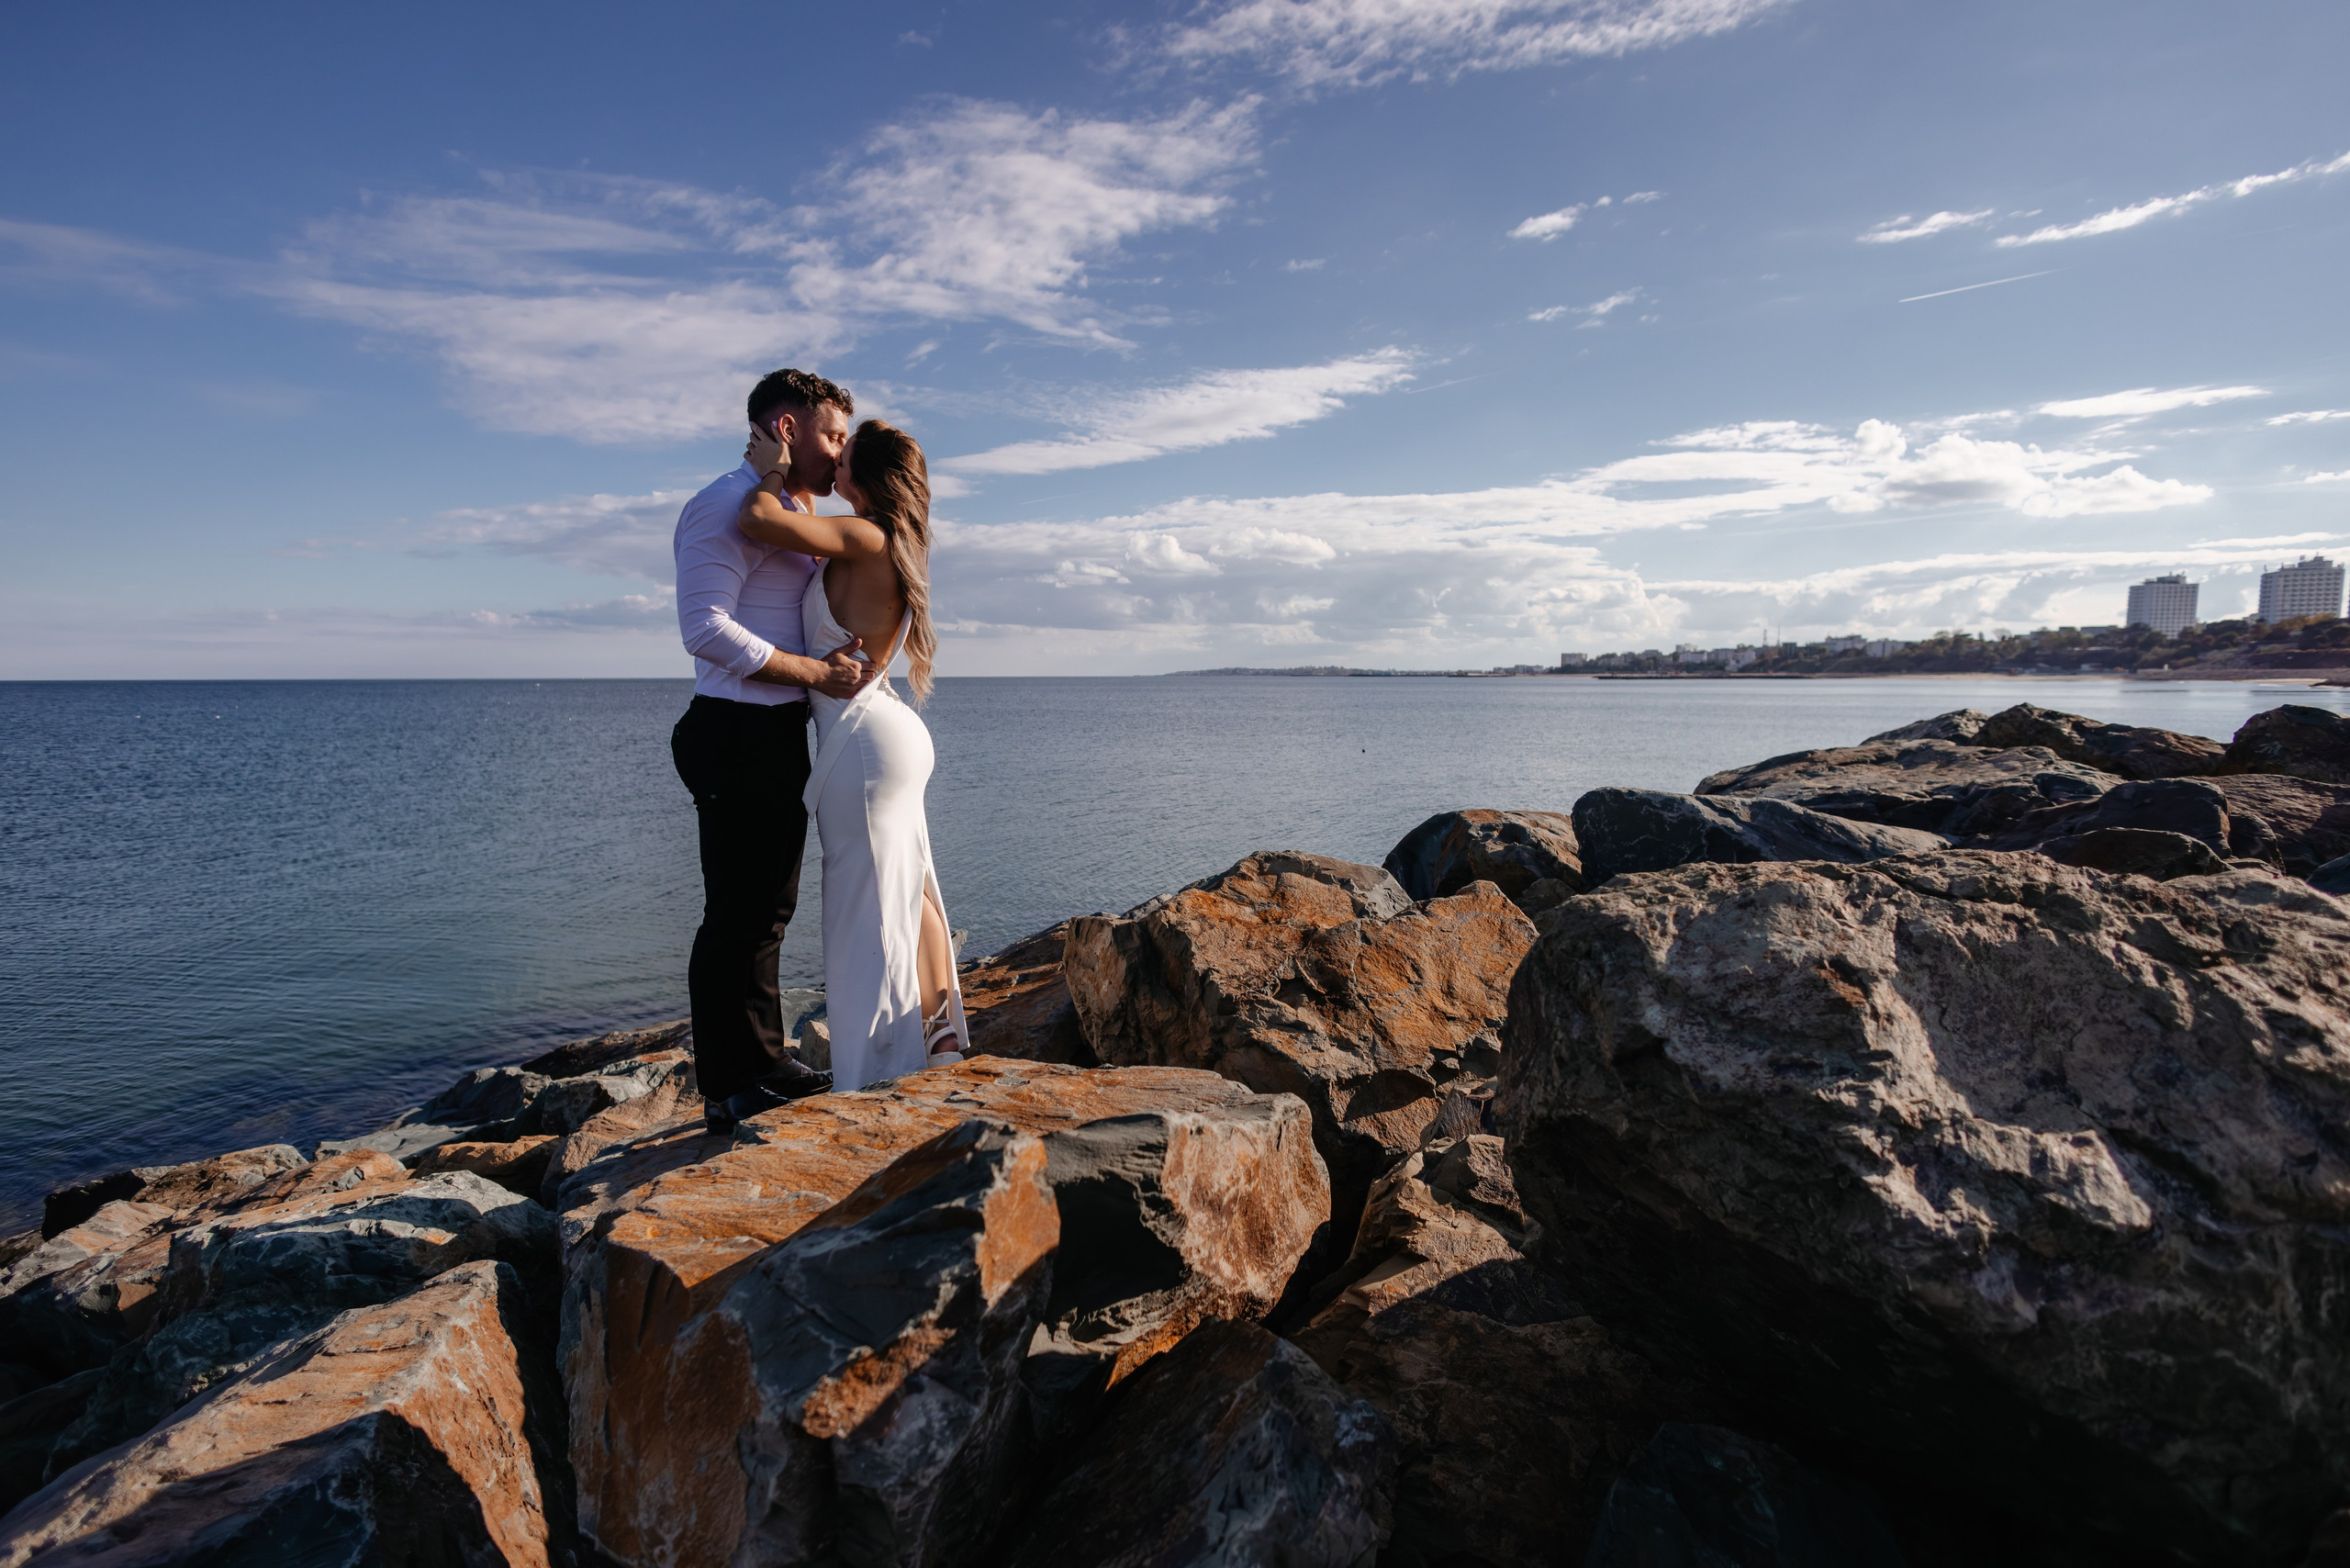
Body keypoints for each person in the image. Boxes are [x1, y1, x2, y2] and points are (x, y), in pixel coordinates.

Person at [670, 368, 880, 1134]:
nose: (840, 451)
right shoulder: (726, 504)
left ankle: (758, 1067)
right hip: (734, 730)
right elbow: (704, 629)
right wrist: (816, 672)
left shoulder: (786, 510)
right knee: (739, 914)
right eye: (831, 435)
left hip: (770, 731)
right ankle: (736, 1078)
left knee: (765, 911)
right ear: (787, 429)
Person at [735, 415, 968, 1092]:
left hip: (862, 746)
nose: (834, 464)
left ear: (866, 480)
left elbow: (757, 519)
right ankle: (940, 1038)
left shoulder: (864, 535)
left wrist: (774, 465)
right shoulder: (896, 542)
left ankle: (876, 1072)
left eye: (845, 458)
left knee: (861, 905)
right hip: (887, 731)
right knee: (911, 884)